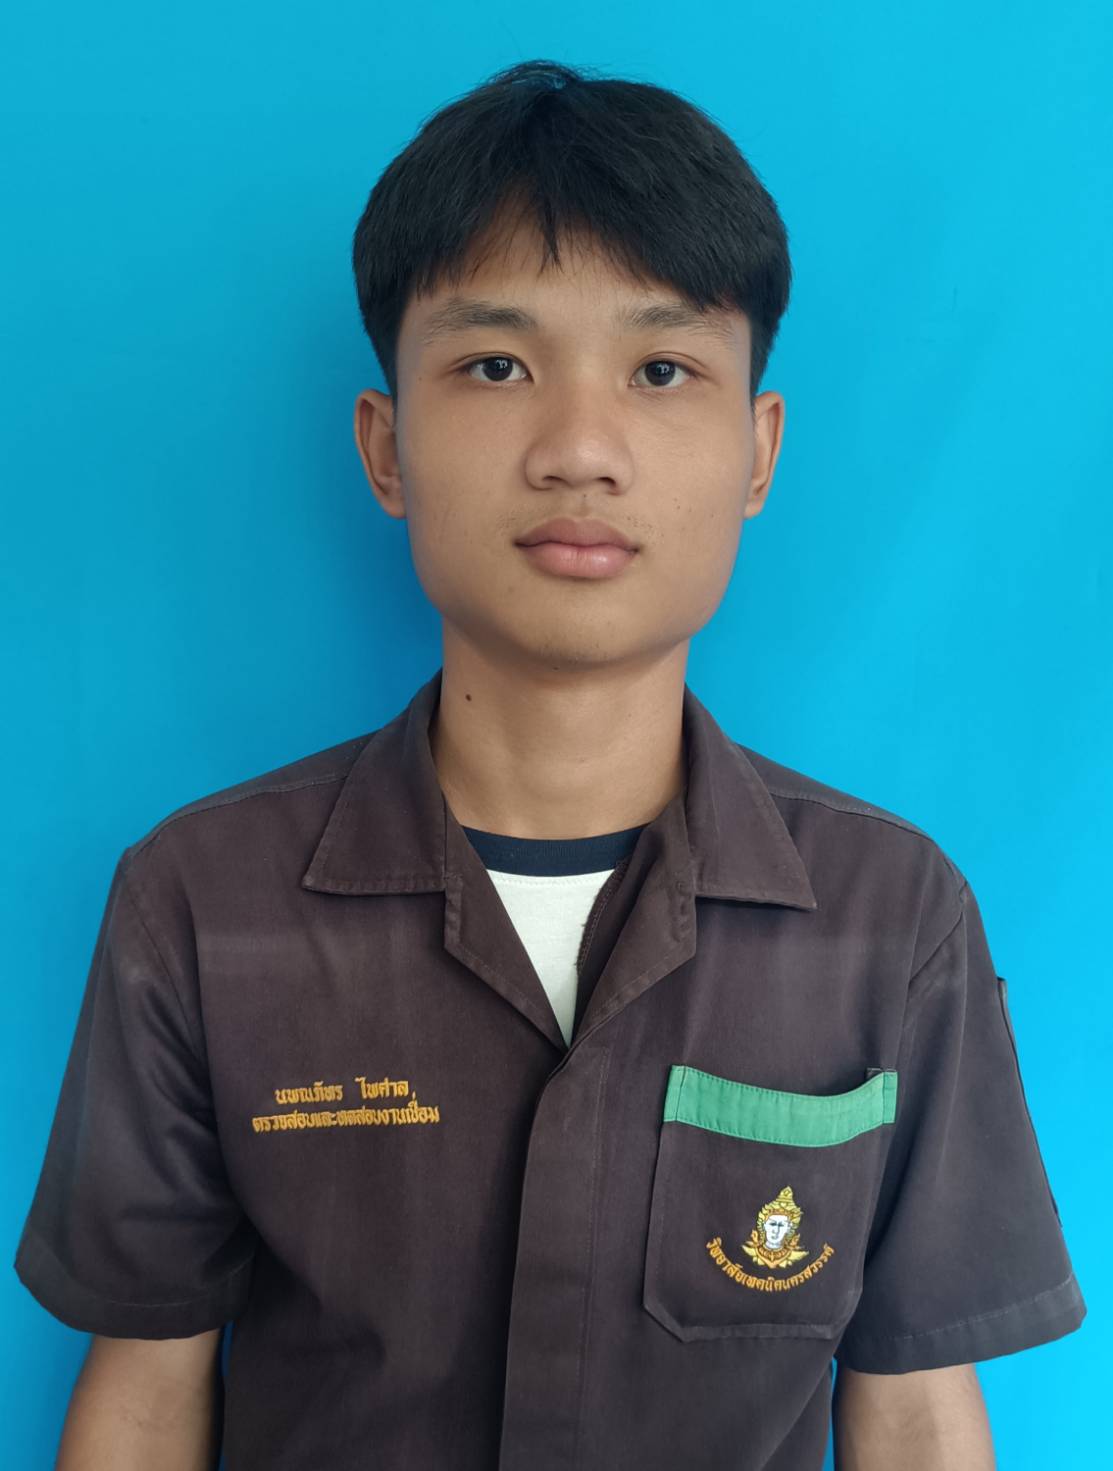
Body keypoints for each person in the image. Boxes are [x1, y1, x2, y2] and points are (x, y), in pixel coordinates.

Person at [14, 57, 1085, 1471]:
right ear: (385, 447)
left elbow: (915, 1408)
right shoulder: (203, 906)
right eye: (496, 366)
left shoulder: (892, 922)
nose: (580, 450)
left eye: (661, 370)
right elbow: (147, 1392)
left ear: (756, 452)